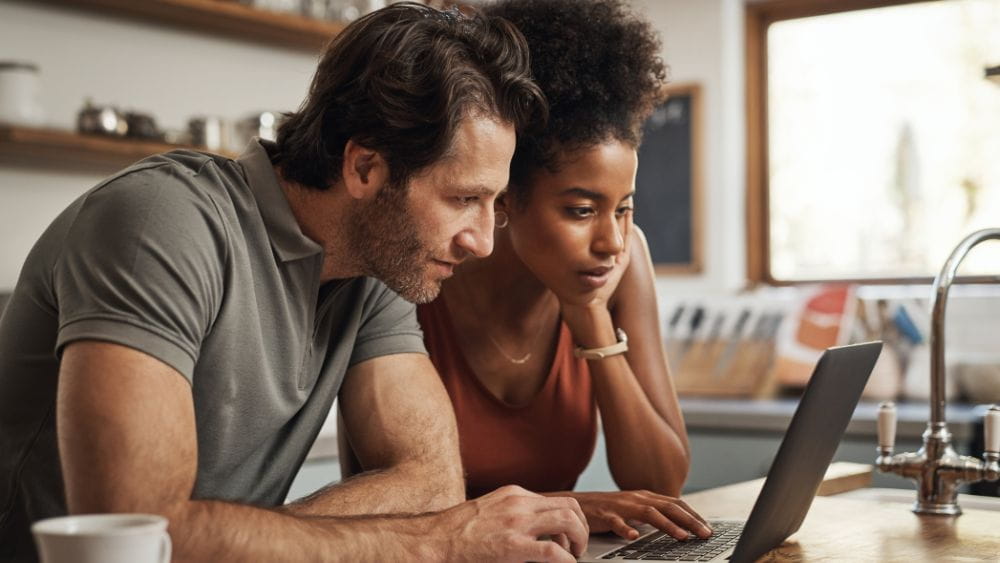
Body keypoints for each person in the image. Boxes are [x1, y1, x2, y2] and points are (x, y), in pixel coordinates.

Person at [0, 4, 591, 562]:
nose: (484, 241)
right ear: (364, 168)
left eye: (495, 205)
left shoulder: (377, 267)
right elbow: (140, 535)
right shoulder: (162, 221)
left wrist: (247, 542)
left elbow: (431, 481)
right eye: (463, 199)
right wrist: (434, 543)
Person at [417, 0, 712, 543]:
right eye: (581, 210)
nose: (612, 240)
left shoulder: (624, 261)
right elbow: (396, 506)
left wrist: (592, 318)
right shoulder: (422, 275)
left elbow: (662, 482)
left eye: (624, 207)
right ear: (505, 198)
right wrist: (575, 504)